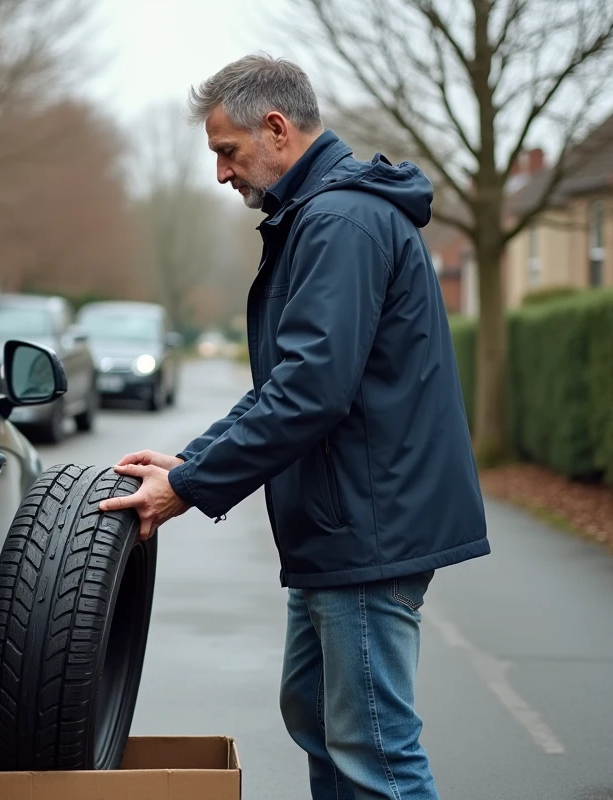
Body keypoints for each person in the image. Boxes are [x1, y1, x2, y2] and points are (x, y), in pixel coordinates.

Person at [98, 54, 490, 800]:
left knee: (375, 751)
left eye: (227, 150)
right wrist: (190, 462)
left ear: (276, 129)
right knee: (316, 717)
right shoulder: (320, 217)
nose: (221, 172)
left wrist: (189, 489)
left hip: (368, 530)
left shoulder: (341, 223)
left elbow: (311, 392)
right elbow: (286, 385)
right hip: (340, 529)